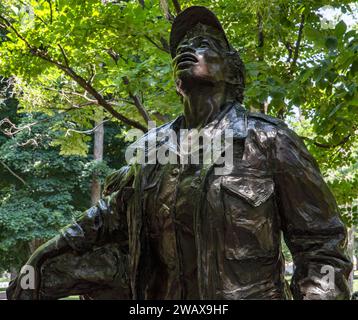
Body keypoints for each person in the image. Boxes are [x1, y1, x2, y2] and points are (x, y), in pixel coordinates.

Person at [7, 6, 352, 300]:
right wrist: (46, 255)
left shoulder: (268, 139)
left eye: (204, 45)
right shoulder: (150, 151)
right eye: (182, 48)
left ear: (231, 69)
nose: (188, 49)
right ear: (176, 80)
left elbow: (324, 246)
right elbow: (108, 217)